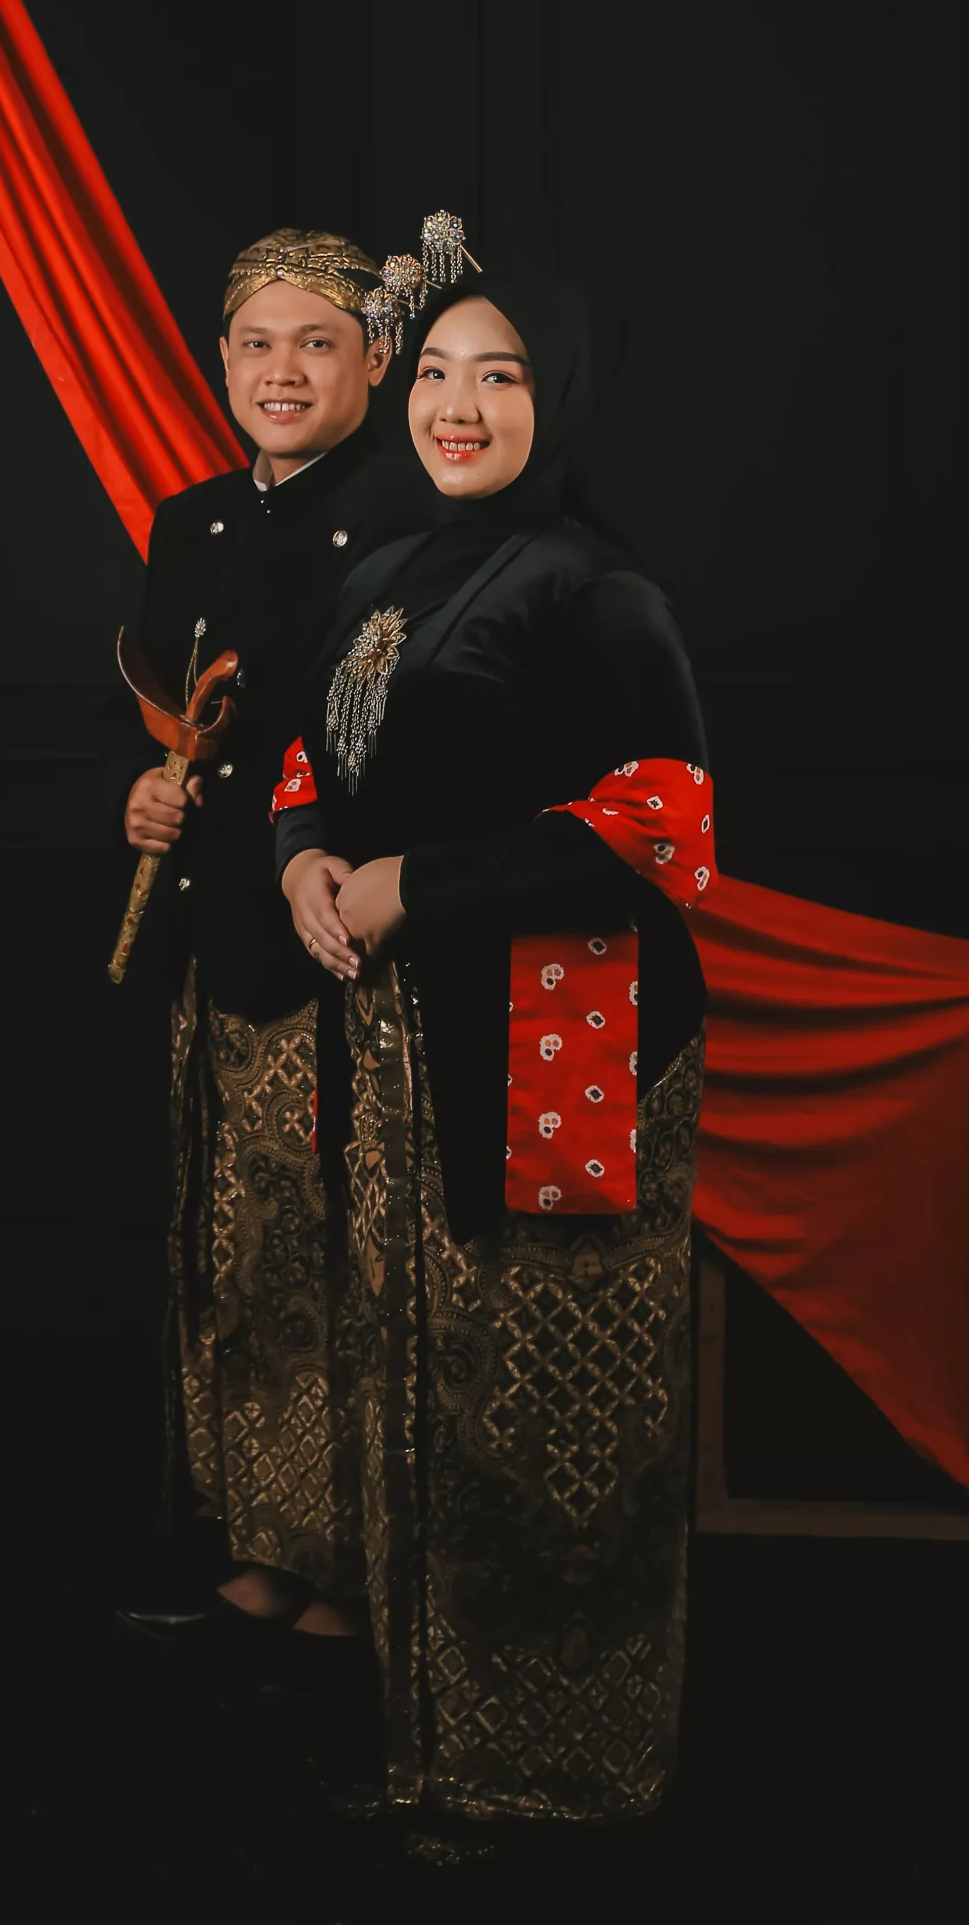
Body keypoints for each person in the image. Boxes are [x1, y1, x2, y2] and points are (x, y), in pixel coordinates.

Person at [274, 270, 714, 1828]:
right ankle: (436, 1746)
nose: (456, 407)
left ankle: (560, 1770)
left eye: (501, 376)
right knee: (421, 1385)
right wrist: (303, 862)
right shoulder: (390, 566)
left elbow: (662, 830)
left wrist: (414, 885)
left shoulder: (595, 589)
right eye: (436, 373)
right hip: (407, 1043)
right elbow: (309, 755)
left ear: (559, 398)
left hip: (564, 1033)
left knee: (547, 1413)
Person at [115, 227, 421, 1643]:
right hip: (216, 941)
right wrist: (142, 790)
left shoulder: (418, 512)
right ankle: (260, 1541)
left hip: (346, 943)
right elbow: (165, 705)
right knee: (239, 1257)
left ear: (378, 359)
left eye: (317, 342)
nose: (281, 370)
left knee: (343, 1258)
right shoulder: (193, 520)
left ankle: (351, 1568)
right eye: (256, 343)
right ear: (222, 360)